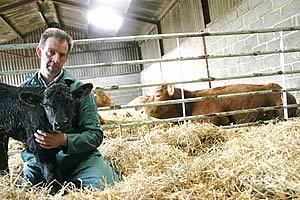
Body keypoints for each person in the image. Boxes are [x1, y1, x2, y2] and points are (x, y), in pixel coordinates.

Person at [21, 28, 119, 191]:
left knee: (106, 187)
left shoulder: (79, 90)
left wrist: (65, 140)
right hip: (40, 162)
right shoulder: (24, 92)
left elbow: (95, 135)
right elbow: (19, 136)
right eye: (50, 52)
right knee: (25, 190)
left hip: (79, 160)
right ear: (39, 51)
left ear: (66, 57)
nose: (56, 59)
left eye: (62, 55)